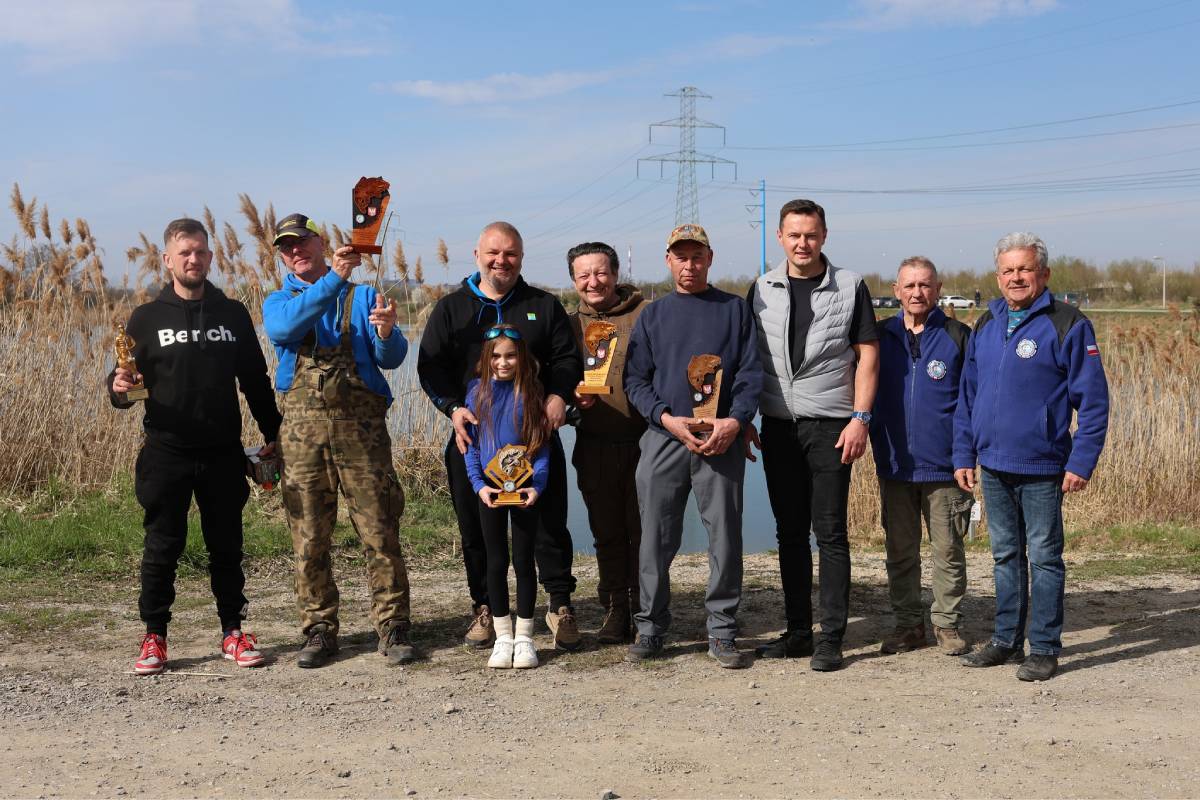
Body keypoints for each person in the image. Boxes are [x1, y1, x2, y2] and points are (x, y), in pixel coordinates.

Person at [108, 217, 281, 675]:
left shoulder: (233, 314)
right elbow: (125, 384)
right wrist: (117, 387)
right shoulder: (146, 318)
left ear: (210, 257)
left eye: (201, 252)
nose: (194, 259)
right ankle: (154, 636)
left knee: (226, 546)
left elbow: (255, 380)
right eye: (185, 252)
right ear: (168, 260)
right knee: (162, 546)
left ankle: (233, 632)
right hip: (166, 452)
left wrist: (274, 433)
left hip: (222, 451)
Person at [418, 222, 583, 651]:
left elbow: (568, 358)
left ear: (521, 258)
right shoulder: (451, 309)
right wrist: (453, 408)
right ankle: (486, 608)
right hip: (473, 439)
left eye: (510, 253)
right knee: (476, 529)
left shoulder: (543, 305)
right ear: (477, 255)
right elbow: (430, 367)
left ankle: (559, 604)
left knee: (549, 524)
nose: (501, 261)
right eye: (493, 252)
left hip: (535, 438)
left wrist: (558, 396)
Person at [263, 212, 417, 669]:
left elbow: (392, 357)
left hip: (362, 434)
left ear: (320, 243)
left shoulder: (363, 296)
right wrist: (334, 278)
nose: (295, 251)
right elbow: (284, 330)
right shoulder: (279, 301)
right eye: (286, 247)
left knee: (380, 531)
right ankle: (318, 630)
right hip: (302, 438)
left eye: (302, 242)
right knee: (309, 536)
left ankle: (393, 627)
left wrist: (386, 332)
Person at [954, 232, 1109, 681]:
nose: (1016, 277)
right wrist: (964, 452)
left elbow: (1094, 402)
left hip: (1043, 465)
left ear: (1044, 274)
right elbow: (968, 395)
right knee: (1005, 555)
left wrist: (1081, 461)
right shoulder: (987, 322)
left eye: (1025, 269)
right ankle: (1005, 640)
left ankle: (1043, 647)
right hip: (993, 464)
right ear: (997, 276)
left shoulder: (1068, 324)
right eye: (1008, 270)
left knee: (1043, 557)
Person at [745, 198, 879, 672]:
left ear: (824, 236)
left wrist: (860, 418)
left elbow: (867, 355)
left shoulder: (850, 285)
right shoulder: (761, 288)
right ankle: (799, 632)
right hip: (778, 426)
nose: (803, 243)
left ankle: (832, 637)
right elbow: (747, 359)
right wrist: (744, 418)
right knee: (789, 533)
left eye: (811, 235)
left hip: (831, 427)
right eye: (794, 235)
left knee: (831, 532)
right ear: (780, 237)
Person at [623, 224, 762, 670]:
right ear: (668, 260)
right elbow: (635, 381)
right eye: (680, 257)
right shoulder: (653, 315)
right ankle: (650, 626)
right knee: (654, 538)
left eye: (697, 256)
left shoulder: (734, 310)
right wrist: (665, 417)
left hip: (720, 439)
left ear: (710, 258)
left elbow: (751, 375)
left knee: (725, 536)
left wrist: (736, 421)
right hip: (665, 437)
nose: (689, 265)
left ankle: (722, 630)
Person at [869, 257, 973, 656]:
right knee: (900, 552)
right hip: (895, 464)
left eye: (925, 285)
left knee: (948, 551)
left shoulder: (958, 336)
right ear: (896, 290)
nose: (917, 293)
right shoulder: (879, 337)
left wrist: (964, 456)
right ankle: (909, 625)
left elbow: (970, 404)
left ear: (938, 289)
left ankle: (947, 624)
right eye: (909, 285)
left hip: (945, 467)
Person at [567, 242, 647, 644]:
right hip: (594, 443)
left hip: (646, 443)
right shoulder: (567, 325)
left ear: (615, 274)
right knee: (607, 531)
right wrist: (571, 400)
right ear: (574, 281)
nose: (593, 282)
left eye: (600, 273)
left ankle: (646, 608)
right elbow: (555, 380)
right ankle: (615, 609)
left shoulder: (645, 314)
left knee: (644, 532)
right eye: (584, 275)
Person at [465, 325, 551, 669]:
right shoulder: (476, 393)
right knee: (496, 560)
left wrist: (537, 485)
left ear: (522, 357)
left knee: (524, 561)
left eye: (511, 356)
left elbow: (541, 447)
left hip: (525, 489)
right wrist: (479, 485)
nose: (503, 363)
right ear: (486, 358)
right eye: (496, 356)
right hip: (491, 490)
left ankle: (525, 638)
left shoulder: (533, 392)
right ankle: (503, 637)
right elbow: (471, 447)